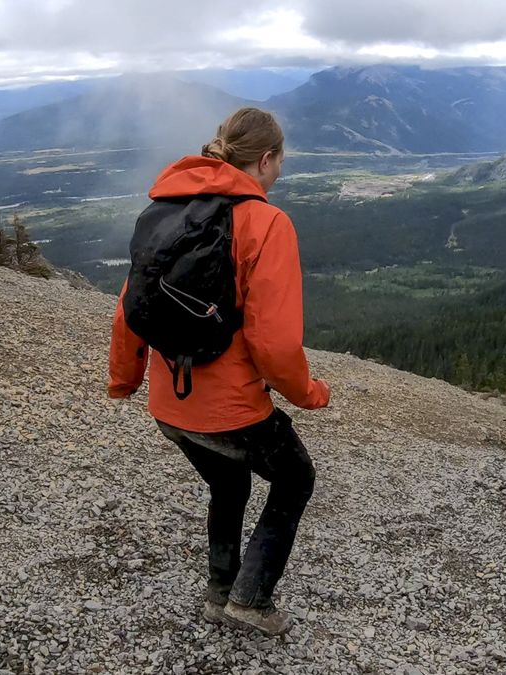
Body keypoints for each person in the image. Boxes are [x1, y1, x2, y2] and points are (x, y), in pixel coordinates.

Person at [108, 108, 330, 636]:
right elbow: (274, 344)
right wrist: (310, 394)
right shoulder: (266, 221)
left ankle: (219, 594)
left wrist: (124, 381)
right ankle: (250, 602)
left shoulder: (165, 215)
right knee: (296, 477)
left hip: (169, 405)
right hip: (229, 408)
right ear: (267, 158)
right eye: (280, 162)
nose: (279, 173)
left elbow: (128, 310)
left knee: (229, 486)